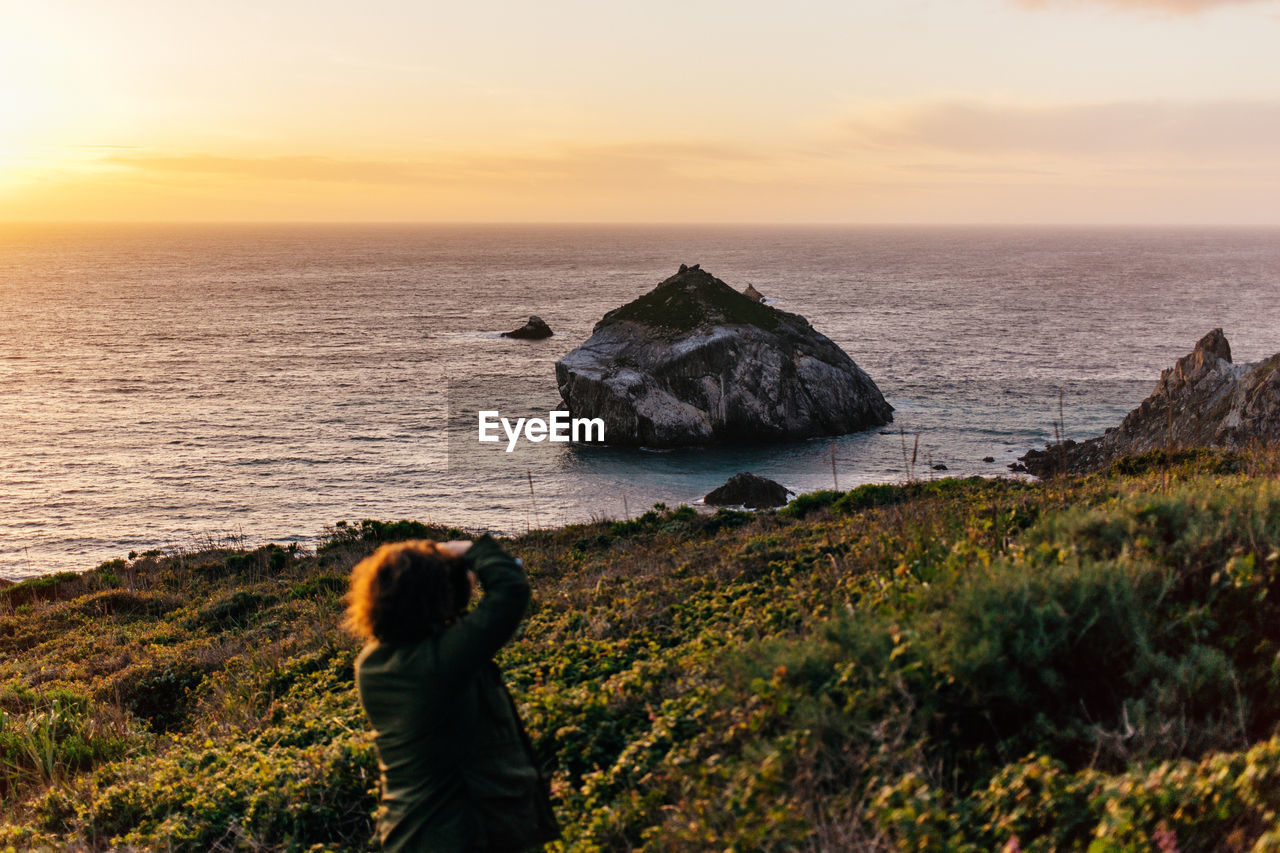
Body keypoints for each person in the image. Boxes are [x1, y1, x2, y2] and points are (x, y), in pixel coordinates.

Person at [346, 535, 559, 852]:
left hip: (409, 831)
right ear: (434, 597)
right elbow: (511, 591)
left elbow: (436, 629)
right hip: (466, 832)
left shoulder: (372, 662)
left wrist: (442, 575)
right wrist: (471, 550)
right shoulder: (440, 661)